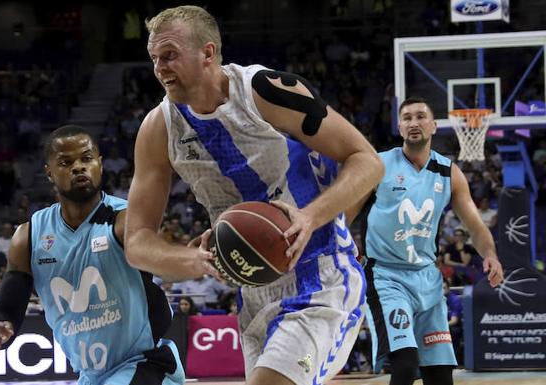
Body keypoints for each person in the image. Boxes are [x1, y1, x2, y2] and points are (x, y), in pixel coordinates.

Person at [123, 6, 383, 385]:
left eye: (169, 56)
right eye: (154, 59)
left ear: (208, 53)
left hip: (320, 276)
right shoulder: (157, 129)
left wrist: (309, 217)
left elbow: (368, 162)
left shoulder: (264, 89)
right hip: (252, 290)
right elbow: (137, 243)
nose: (159, 68)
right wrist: (195, 260)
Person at [0, 125, 185, 385]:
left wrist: (195, 258)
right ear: (49, 172)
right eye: (66, 162)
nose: (79, 167)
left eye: (86, 158)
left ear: (100, 164)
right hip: (91, 376)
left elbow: (167, 264)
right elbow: (10, 303)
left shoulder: (124, 219)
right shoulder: (29, 236)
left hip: (146, 363)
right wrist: (0, 324)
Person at [350, 97, 504, 385]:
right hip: (385, 276)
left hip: (427, 279)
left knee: (441, 375)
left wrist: (490, 255)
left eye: (421, 116)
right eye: (407, 118)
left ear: (434, 126)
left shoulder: (449, 173)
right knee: (406, 363)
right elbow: (345, 214)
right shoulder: (378, 165)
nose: (414, 122)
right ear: (399, 127)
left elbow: (474, 225)